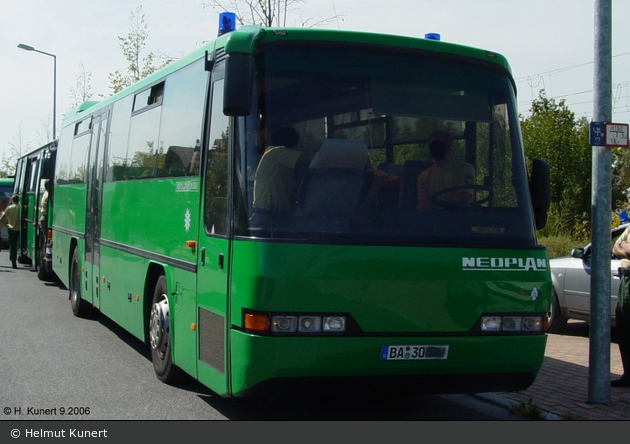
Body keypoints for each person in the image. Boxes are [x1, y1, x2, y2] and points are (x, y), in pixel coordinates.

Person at [252, 126, 314, 221]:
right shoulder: (278, 152)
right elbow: (312, 158)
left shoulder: (272, 155)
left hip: (269, 215)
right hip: (269, 218)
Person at [416, 130, 475, 210]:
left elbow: (464, 196)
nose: (435, 149)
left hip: (461, 217)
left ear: (449, 148)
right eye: (433, 146)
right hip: (435, 219)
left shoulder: (465, 169)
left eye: (439, 146)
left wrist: (435, 201)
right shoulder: (423, 177)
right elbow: (422, 206)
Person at [612, 223, 630, 387]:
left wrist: (624, 246)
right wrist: (624, 247)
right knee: (624, 328)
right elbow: (615, 247)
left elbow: (622, 247)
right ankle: (628, 375)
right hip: (625, 279)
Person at [0, 194, 20, 269]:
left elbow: (1, 218)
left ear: (12, 200)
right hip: (20, 230)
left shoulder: (9, 208)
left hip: (11, 229)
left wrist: (6, 225)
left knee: (12, 246)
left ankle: (13, 262)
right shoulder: (21, 208)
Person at [39, 179, 50, 246]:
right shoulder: (48, 195)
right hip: (46, 217)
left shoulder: (45, 193)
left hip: (43, 216)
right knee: (47, 238)